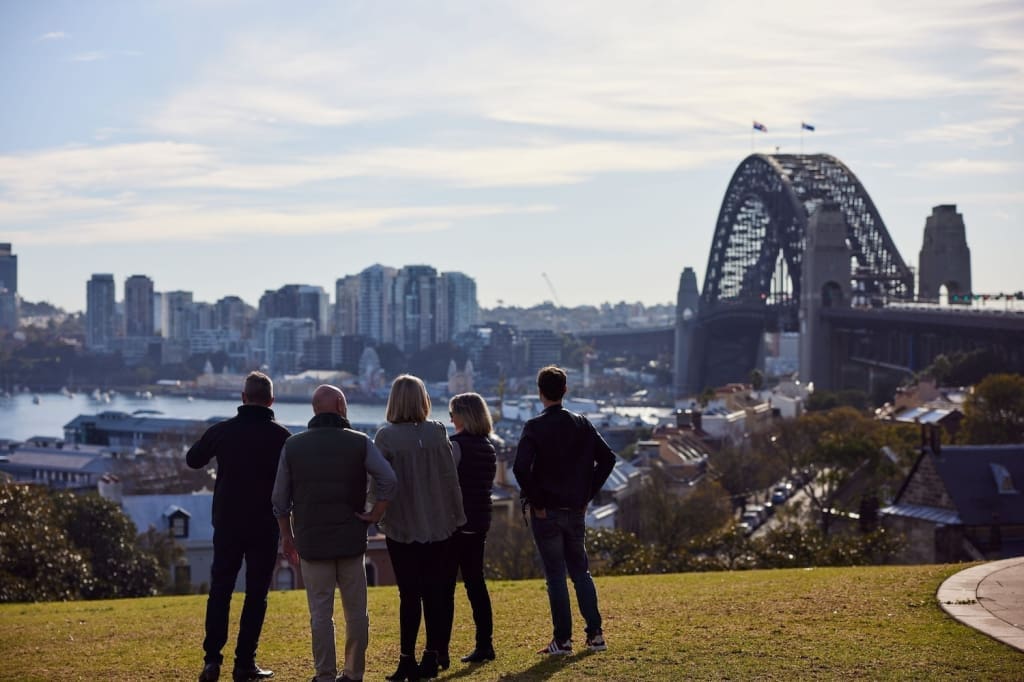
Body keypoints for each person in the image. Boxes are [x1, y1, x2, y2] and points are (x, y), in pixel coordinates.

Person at [271, 384, 398, 682]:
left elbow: (279, 500)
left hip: (312, 542)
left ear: (314, 409)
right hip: (352, 540)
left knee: (320, 614)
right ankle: (354, 674)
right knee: (356, 613)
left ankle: (324, 674)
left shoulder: (293, 446)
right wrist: (375, 514)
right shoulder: (359, 442)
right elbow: (388, 480)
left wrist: (287, 537)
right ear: (341, 405)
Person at [186, 371, 291, 682]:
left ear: (243, 398)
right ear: (272, 400)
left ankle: (211, 661)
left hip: (228, 522)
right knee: (256, 593)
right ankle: (245, 662)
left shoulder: (223, 431)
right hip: (264, 523)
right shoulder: (282, 437)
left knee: (221, 590)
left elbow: (194, 460)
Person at [512, 365, 616, 656]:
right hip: (576, 509)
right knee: (581, 572)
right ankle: (595, 635)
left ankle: (563, 640)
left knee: (555, 576)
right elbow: (607, 458)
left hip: (547, 511)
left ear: (539, 392)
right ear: (565, 391)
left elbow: (520, 467)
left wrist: (538, 501)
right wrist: (587, 494)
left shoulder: (534, 427)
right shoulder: (582, 423)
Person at [374, 375, 466, 681]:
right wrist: (456, 515)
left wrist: (373, 514)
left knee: (409, 595)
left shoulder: (386, 438)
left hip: (402, 526)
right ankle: (431, 655)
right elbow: (450, 478)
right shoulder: (439, 432)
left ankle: (406, 659)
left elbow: (378, 483)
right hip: (440, 523)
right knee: (436, 593)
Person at [447, 392, 498, 664]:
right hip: (479, 522)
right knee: (475, 584)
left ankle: (440, 647)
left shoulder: (456, 446)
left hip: (457, 522)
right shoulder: (488, 446)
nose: (450, 418)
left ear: (463, 415)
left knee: (445, 587)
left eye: (453, 412)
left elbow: (445, 484)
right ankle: (484, 643)